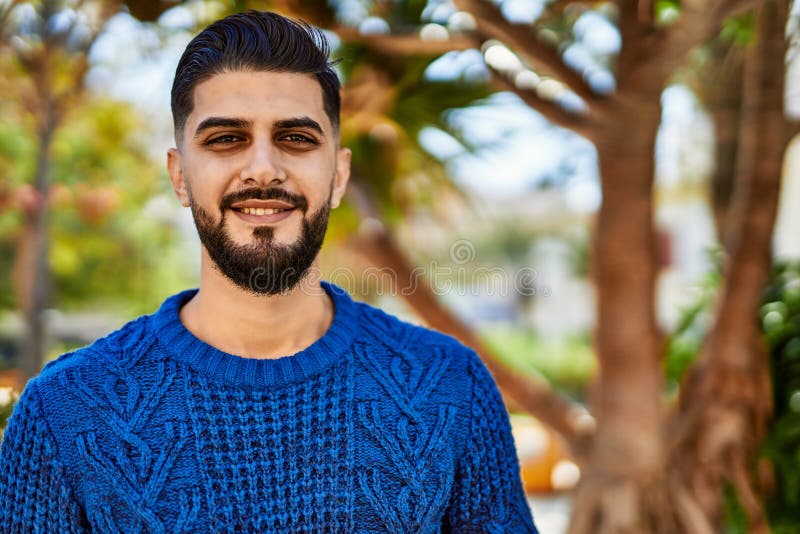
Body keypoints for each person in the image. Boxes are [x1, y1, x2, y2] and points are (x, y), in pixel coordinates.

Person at [0, 10, 538, 532]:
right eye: (226, 138)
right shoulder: (65, 411)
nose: (263, 168)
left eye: (296, 138)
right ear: (180, 175)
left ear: (338, 175)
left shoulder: (451, 388)